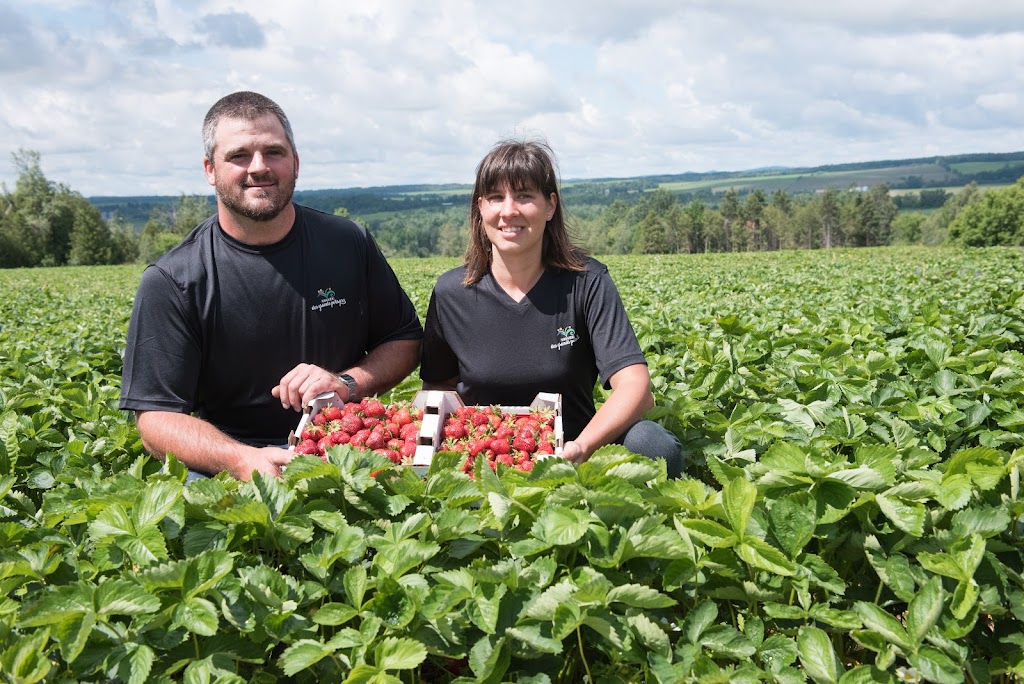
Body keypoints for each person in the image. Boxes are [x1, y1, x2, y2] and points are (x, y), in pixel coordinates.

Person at [120, 91, 423, 481]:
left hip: (348, 444)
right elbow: (156, 419)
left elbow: (405, 339)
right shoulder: (174, 279)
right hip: (229, 454)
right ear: (210, 169)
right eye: (239, 155)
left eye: (274, 152)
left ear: (295, 164)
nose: (259, 167)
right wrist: (239, 458)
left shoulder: (347, 243)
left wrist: (346, 383)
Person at [419, 138, 683, 477]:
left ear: (550, 206)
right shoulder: (452, 294)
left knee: (652, 442)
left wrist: (582, 448)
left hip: (576, 457)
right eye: (496, 197)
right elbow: (437, 391)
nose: (509, 210)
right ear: (480, 208)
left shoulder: (586, 283)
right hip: (484, 461)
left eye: (524, 196)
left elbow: (636, 388)